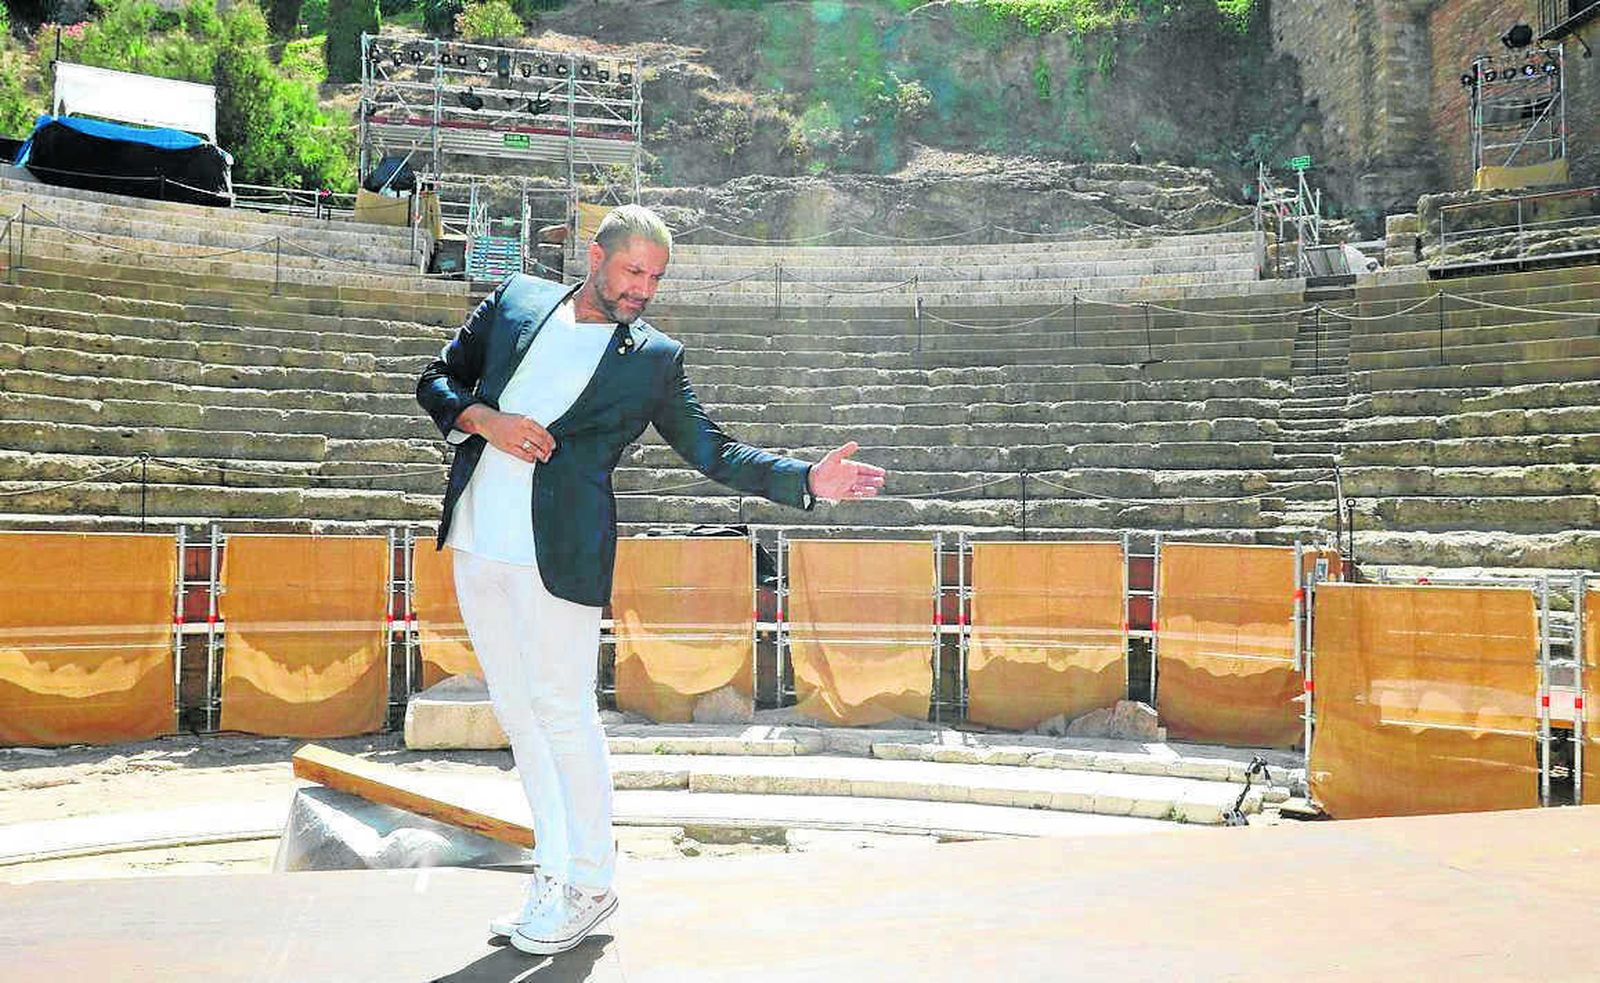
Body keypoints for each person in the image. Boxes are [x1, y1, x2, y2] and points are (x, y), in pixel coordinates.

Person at [415, 205, 886, 956]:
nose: (642, 289)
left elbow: (713, 449)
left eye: (655, 278)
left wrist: (808, 480)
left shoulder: (653, 357)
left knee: (563, 713)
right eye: (633, 271)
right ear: (596, 254)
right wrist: (484, 420)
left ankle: (592, 881)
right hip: (478, 541)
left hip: (559, 552)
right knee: (517, 711)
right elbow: (435, 378)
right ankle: (552, 871)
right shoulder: (516, 301)